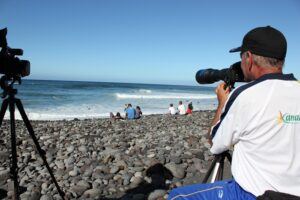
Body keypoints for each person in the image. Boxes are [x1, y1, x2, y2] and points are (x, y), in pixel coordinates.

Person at [168, 26, 300, 199]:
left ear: (249, 58)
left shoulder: (246, 95)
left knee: (177, 196)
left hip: (254, 194)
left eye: (241, 56)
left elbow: (216, 143)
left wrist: (223, 102)